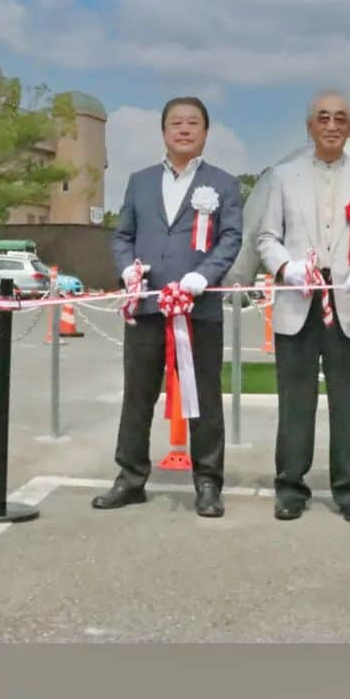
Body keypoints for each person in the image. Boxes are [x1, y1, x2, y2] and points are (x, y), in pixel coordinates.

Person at [94, 96, 243, 517]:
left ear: (205, 132)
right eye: (176, 123)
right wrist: (127, 270)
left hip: (198, 310)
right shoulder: (140, 181)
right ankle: (130, 478)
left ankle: (208, 482)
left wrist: (204, 276)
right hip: (146, 306)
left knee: (204, 398)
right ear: (163, 131)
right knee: (137, 394)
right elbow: (122, 235)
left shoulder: (223, 183)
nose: (184, 129)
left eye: (193, 123)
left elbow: (231, 238)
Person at [257, 89, 350, 524]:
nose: (331, 125)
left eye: (340, 119)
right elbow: (266, 238)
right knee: (295, 400)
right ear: (309, 126)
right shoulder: (284, 176)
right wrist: (286, 267)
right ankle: (290, 486)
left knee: (349, 401)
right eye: (323, 118)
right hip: (299, 298)